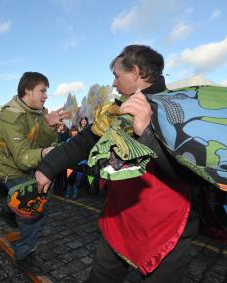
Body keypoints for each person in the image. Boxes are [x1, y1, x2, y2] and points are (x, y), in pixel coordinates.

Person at [36, 45, 200, 282]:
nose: (113, 83)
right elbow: (85, 141)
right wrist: (48, 168)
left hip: (167, 228)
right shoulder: (116, 111)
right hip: (119, 218)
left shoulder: (181, 110)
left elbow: (193, 172)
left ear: (135, 72)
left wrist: (145, 132)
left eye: (116, 75)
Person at [0, 71, 68, 274]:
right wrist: (46, 152)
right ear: (27, 90)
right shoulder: (13, 116)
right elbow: (23, 158)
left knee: (34, 203)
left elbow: (40, 142)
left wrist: (48, 126)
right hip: (11, 170)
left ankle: (9, 209)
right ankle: (24, 253)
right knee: (33, 212)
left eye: (46, 91)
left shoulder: (38, 111)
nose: (46, 96)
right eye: (42, 91)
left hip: (27, 167)